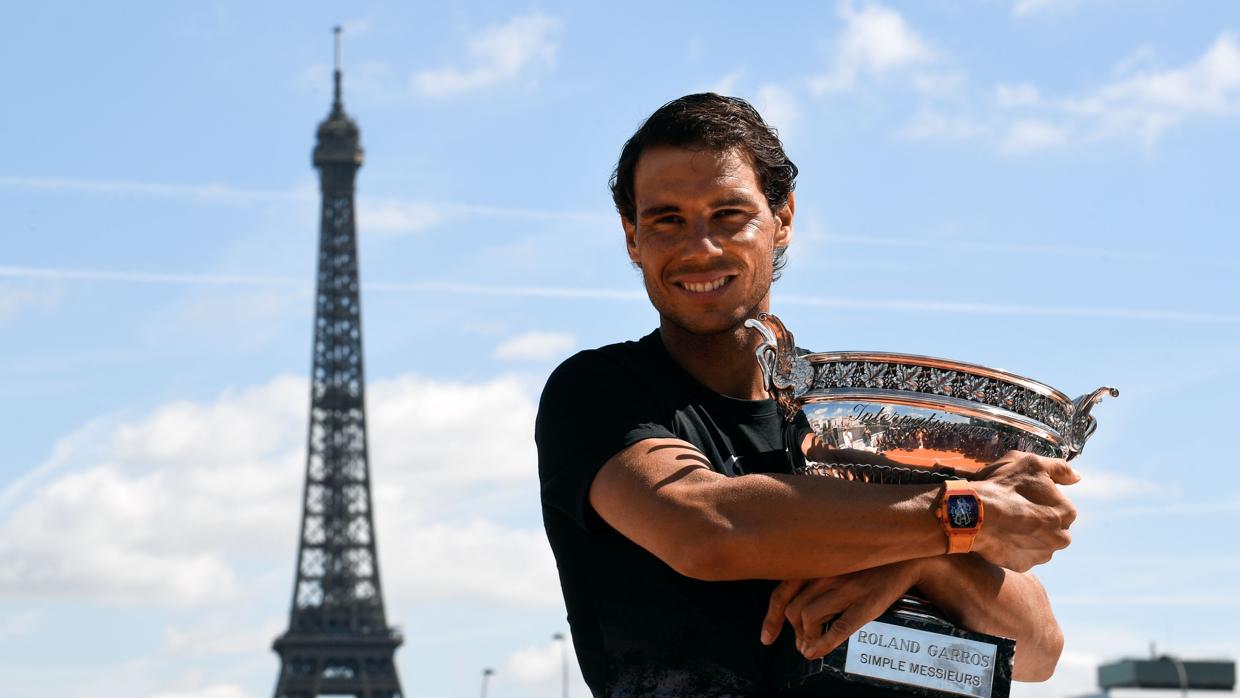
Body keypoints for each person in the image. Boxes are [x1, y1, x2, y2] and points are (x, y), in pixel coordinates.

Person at [536, 93, 1077, 697]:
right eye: (666, 219)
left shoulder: (853, 422)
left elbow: (1038, 649)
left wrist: (928, 557)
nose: (700, 249)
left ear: (783, 218)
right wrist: (965, 513)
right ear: (632, 236)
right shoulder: (599, 392)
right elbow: (705, 529)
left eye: (728, 215)